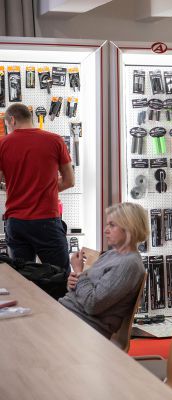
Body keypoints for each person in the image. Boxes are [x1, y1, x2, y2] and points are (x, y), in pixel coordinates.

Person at [0, 103, 75, 297]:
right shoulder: (54, 140)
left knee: (22, 282)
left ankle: (30, 316)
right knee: (61, 279)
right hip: (46, 221)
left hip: (16, 222)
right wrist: (44, 190)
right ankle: (60, 316)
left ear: (12, 120)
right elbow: (69, 181)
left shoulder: (2, 144)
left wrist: (15, 186)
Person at [59, 202, 149, 339]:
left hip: (83, 327)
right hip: (71, 316)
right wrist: (73, 282)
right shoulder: (112, 254)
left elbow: (91, 304)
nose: (106, 230)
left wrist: (79, 272)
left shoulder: (129, 265)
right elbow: (85, 288)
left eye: (112, 225)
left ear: (129, 228)